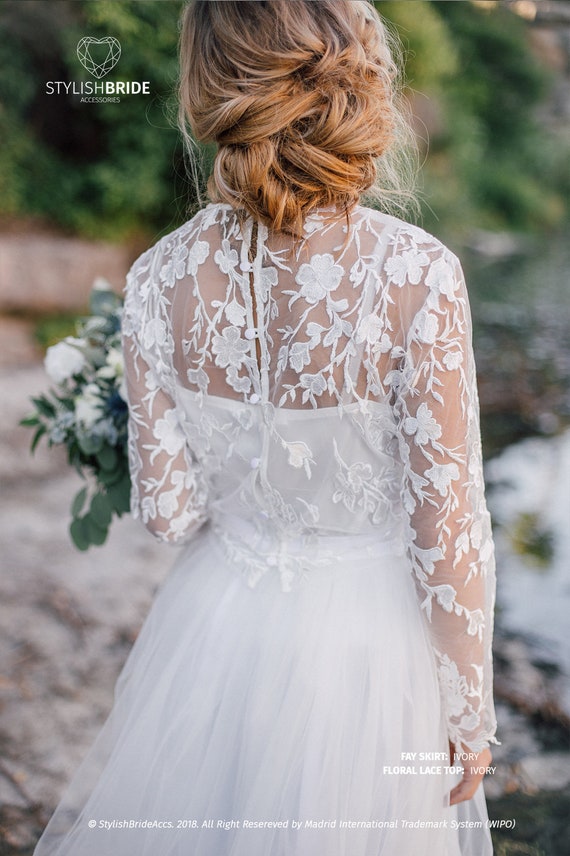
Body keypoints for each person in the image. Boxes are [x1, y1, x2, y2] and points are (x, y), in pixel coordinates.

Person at [34, 1, 498, 854]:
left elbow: (169, 514)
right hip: (369, 652)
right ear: (360, 76)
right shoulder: (419, 274)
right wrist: (470, 708)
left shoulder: (155, 278)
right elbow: (450, 526)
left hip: (216, 631)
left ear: (206, 91)